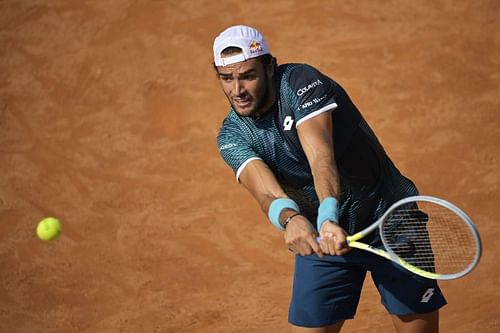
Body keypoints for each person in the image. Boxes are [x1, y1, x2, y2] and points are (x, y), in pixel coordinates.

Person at [212, 25, 447, 333]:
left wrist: (327, 216)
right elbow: (267, 193)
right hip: (326, 242)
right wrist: (291, 219)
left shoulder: (301, 83)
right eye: (226, 78)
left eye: (248, 76)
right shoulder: (232, 135)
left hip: (389, 219)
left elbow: (320, 156)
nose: (237, 90)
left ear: (270, 67)